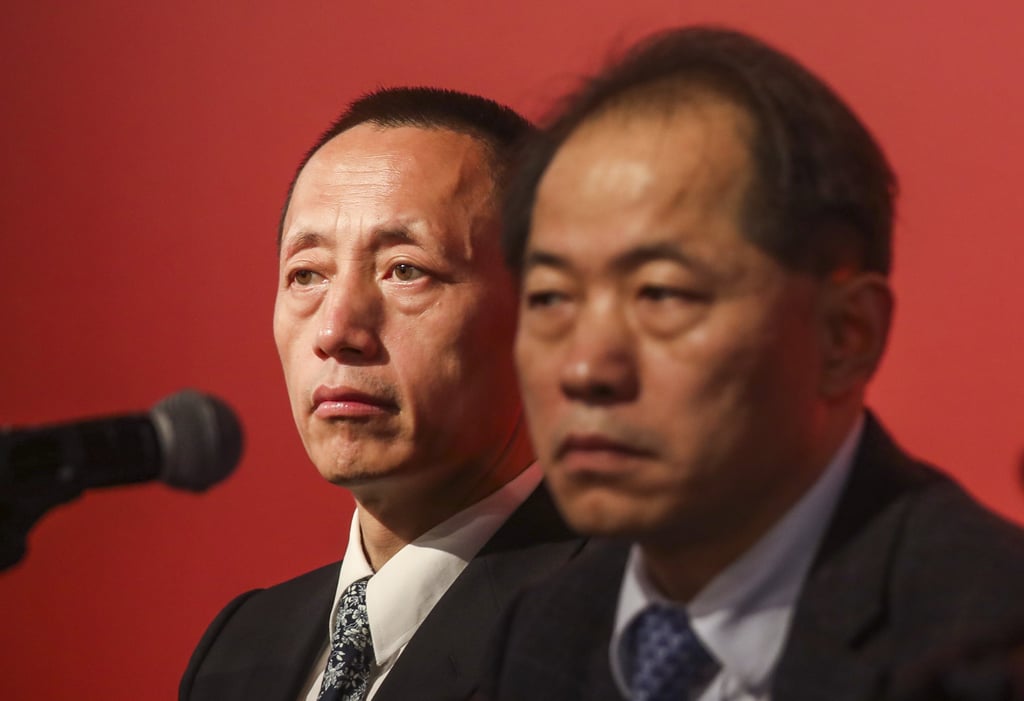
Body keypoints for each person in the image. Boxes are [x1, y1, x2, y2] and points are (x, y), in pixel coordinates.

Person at [479, 26, 1024, 701]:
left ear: (845, 335)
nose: (586, 368)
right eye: (551, 298)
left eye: (661, 293)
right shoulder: (542, 629)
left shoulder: (987, 642)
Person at [180, 87, 586, 701]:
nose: (336, 330)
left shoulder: (615, 630)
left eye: (405, 269)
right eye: (307, 275)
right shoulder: (240, 648)